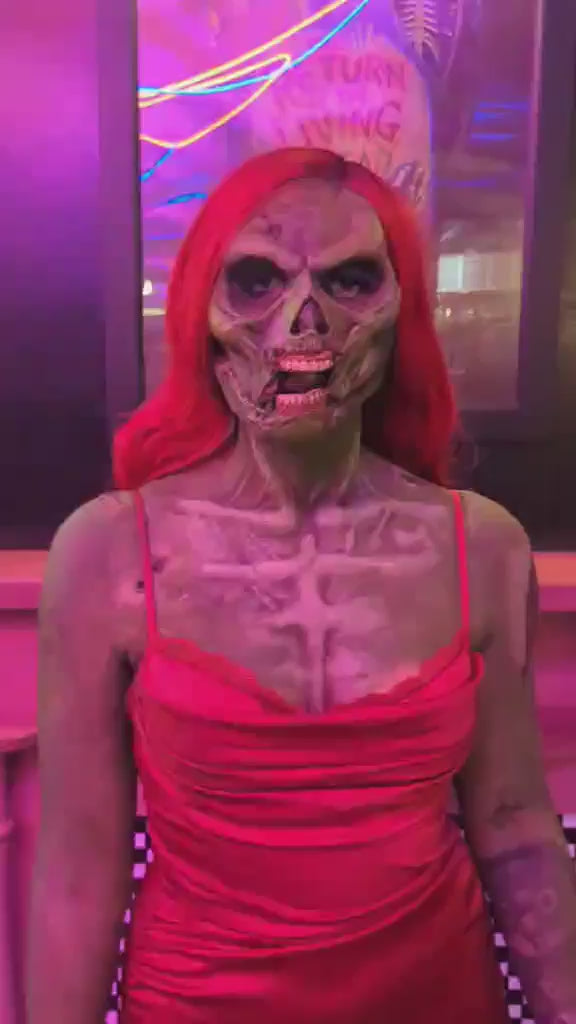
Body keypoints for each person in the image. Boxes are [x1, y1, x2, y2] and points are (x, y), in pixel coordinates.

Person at [28, 148, 576, 1024]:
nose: (304, 319)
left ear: (401, 315)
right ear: (202, 315)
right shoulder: (109, 554)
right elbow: (77, 866)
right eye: (257, 282)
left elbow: (513, 823)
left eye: (350, 280)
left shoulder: (483, 548)